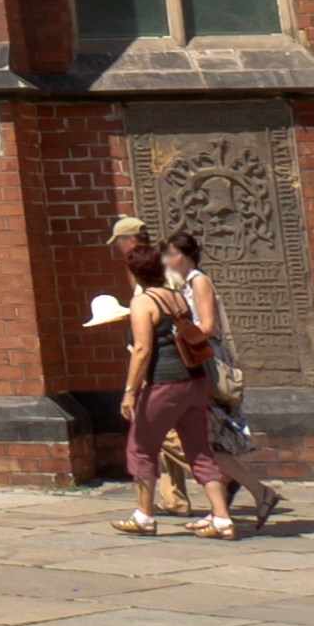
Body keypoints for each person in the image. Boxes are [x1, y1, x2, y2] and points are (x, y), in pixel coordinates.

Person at [121, 226, 239, 536]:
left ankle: (143, 516)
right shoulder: (175, 296)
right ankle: (222, 518)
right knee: (199, 449)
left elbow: (144, 349)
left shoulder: (144, 302)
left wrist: (130, 391)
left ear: (135, 273)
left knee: (141, 447)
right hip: (195, 381)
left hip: (164, 383)